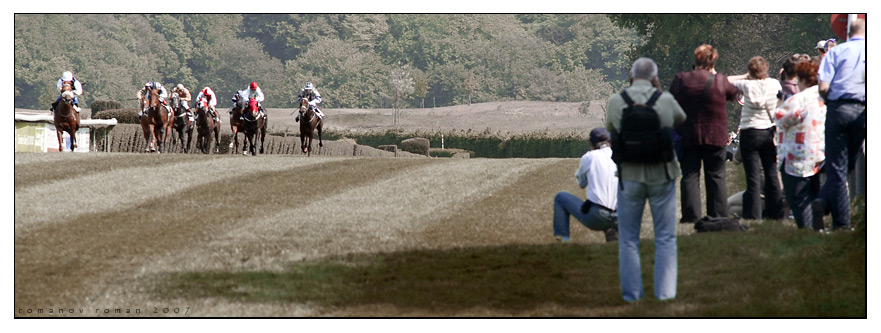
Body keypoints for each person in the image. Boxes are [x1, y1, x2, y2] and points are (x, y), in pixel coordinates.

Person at [606, 57, 686, 302]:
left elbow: (610, 127)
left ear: (631, 75)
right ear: (655, 76)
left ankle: (632, 295)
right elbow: (680, 120)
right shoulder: (664, 99)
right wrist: (660, 95)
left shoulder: (617, 101)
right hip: (661, 173)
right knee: (665, 237)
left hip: (629, 175)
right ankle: (665, 294)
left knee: (628, 239)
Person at [669, 44, 740, 223]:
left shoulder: (681, 79)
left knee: (690, 176)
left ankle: (691, 216)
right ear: (713, 61)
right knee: (716, 175)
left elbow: (671, 97)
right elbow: (734, 94)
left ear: (695, 60)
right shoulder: (720, 80)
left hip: (688, 135)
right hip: (715, 136)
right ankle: (718, 214)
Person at [812, 19, 865, 232]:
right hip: (862, 110)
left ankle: (837, 217)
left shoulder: (834, 53)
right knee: (849, 164)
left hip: (838, 109)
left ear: (848, 32)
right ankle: (825, 204)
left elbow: (823, 87)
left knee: (837, 165)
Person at [728, 56, 785, 220]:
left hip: (749, 132)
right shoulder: (774, 83)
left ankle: (753, 214)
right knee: (771, 172)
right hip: (767, 130)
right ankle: (777, 213)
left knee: (752, 176)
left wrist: (745, 76)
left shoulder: (746, 84)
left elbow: (724, 80)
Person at [775, 57, 826, 229]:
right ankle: (818, 228)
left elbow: (780, 118)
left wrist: (780, 101)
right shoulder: (822, 98)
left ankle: (806, 231)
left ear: (802, 79)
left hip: (795, 156)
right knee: (813, 194)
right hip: (818, 154)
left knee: (797, 197)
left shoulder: (799, 99)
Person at [552, 127, 619, 243]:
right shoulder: (620, 156)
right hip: (621, 217)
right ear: (610, 142)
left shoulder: (590, 157)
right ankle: (613, 236)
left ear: (591, 144)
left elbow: (582, 184)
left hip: (598, 215)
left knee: (560, 197)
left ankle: (564, 240)